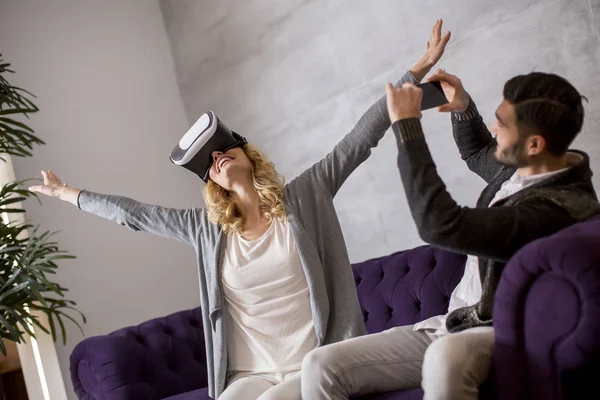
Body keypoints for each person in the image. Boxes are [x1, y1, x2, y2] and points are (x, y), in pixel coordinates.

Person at [29, 20, 451, 400]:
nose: (217, 159)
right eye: (208, 163)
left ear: (248, 154)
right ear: (211, 183)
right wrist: (69, 194)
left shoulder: (305, 195)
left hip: (312, 363)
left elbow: (360, 137)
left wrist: (417, 69)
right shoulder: (205, 229)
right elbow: (135, 214)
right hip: (251, 371)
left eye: (223, 149)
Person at [302, 68, 599, 399]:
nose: (493, 127)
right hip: (453, 321)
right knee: (320, 365)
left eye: (502, 122)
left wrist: (407, 127)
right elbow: (477, 153)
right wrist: (463, 108)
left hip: (498, 329)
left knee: (444, 359)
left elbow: (440, 224)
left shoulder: (549, 211)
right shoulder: (533, 167)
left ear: (534, 144)